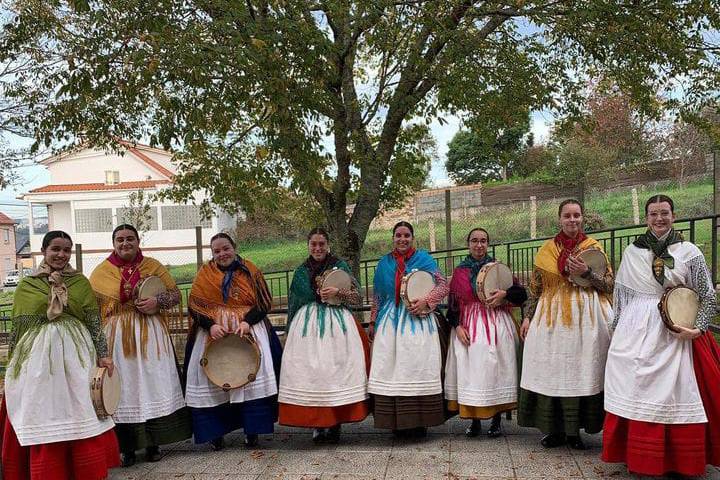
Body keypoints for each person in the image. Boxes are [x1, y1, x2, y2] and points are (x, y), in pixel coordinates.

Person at [602, 194, 720, 476]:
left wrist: (699, 327)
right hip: (637, 329)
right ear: (646, 218)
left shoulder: (689, 252)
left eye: (664, 213)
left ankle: (679, 459)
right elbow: (622, 296)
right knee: (636, 386)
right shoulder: (632, 252)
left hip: (677, 327)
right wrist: (617, 331)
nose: (659, 218)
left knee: (677, 391)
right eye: (653, 214)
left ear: (673, 215)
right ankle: (639, 456)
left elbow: (707, 296)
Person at [0, 230, 120, 479]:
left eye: (66, 250)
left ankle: (83, 465)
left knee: (79, 403)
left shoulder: (80, 282)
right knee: (44, 404)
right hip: (38, 357)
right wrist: (13, 364)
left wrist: (103, 354)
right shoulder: (27, 284)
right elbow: (19, 326)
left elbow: (93, 321)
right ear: (44, 251)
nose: (61, 254)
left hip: (77, 354)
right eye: (55, 249)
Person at [90, 224, 191, 467]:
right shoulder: (101, 272)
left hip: (151, 334)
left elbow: (175, 295)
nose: (125, 243)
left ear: (138, 241)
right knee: (124, 387)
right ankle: (127, 448)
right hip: (117, 337)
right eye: (120, 239)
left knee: (152, 384)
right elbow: (92, 310)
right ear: (113, 243)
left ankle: (154, 443)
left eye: (130, 239)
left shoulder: (153, 265)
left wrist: (157, 300)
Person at [518, 199, 613, 450]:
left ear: (583, 218)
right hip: (550, 318)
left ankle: (575, 432)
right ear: (560, 219)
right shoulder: (545, 251)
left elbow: (609, 285)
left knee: (581, 370)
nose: (573, 220)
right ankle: (555, 430)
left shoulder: (594, 248)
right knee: (552, 370)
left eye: (577, 215)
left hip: (587, 318)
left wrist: (587, 273)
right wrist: (527, 316)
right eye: (568, 216)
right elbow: (535, 290)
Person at [184, 233, 282, 450]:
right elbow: (194, 305)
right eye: (217, 251)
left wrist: (248, 322)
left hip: (247, 329)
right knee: (211, 378)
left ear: (234, 247)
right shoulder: (204, 273)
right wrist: (210, 325)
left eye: (226, 248)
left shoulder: (250, 270)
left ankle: (252, 430)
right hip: (213, 332)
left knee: (252, 376)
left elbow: (265, 302)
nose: (222, 254)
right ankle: (215, 432)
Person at [278, 227, 370, 443]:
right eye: (314, 244)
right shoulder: (301, 271)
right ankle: (317, 424)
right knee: (313, 374)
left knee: (334, 372)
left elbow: (357, 297)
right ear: (308, 246)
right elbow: (294, 303)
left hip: (337, 326)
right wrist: (290, 330)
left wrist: (339, 293)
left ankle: (335, 421)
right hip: (307, 328)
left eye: (321, 244)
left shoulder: (340, 266)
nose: (318, 248)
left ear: (328, 245)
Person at [367, 221, 450, 437]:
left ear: (413, 238)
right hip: (389, 321)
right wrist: (373, 322)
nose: (402, 239)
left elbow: (443, 286)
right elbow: (377, 295)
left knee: (416, 367)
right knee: (391, 369)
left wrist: (426, 301)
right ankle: (395, 422)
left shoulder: (424, 259)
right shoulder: (384, 263)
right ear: (393, 238)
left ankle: (419, 422)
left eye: (406, 236)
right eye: (398, 235)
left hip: (418, 320)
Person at [444, 227, 527, 438]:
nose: (479, 245)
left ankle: (497, 419)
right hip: (469, 325)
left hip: (497, 324)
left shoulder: (498, 269)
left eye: (483, 241)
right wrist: (457, 326)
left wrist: (505, 294)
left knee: (495, 370)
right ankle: (474, 420)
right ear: (468, 244)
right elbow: (452, 304)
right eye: (474, 240)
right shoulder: (460, 272)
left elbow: (521, 295)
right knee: (472, 371)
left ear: (488, 244)